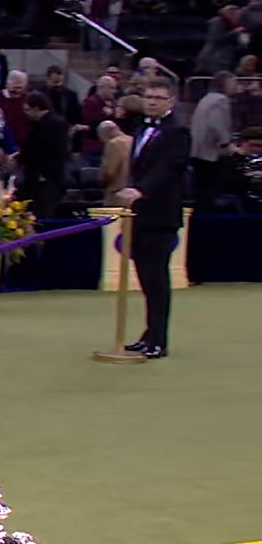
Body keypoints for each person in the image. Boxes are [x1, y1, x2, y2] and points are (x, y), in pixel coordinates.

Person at [115, 74, 190, 359]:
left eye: (158, 98)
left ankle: (159, 339)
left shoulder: (178, 132)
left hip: (161, 217)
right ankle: (148, 336)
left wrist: (141, 190)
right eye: (149, 98)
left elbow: (169, 168)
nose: (152, 103)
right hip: (139, 217)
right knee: (145, 279)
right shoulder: (139, 128)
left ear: (170, 101)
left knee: (157, 281)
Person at [16, 92, 69, 218]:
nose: (25, 113)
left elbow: (54, 152)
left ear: (36, 108)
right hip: (34, 177)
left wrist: (44, 173)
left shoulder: (55, 124)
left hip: (46, 179)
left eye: (27, 109)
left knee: (44, 213)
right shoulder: (38, 124)